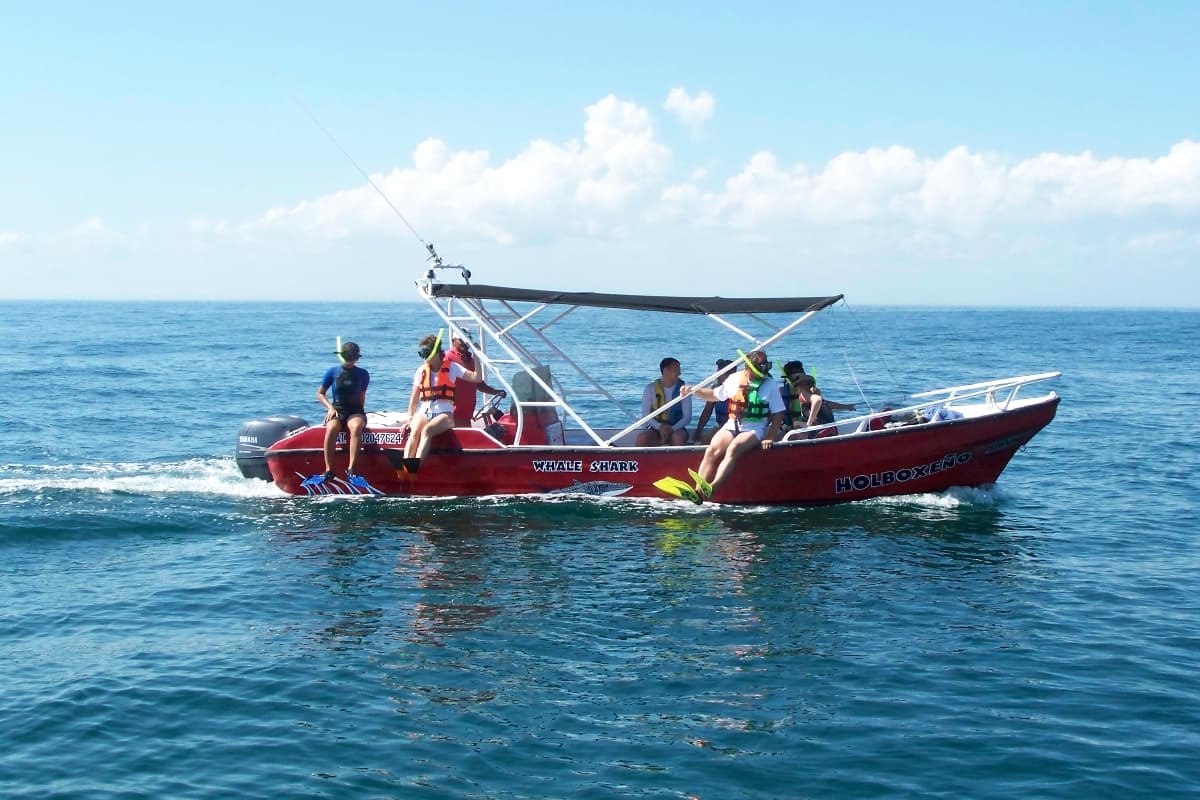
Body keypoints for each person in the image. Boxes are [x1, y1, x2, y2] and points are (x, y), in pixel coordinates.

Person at [681, 349, 785, 500]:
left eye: (764, 366)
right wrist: (693, 391)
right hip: (732, 424)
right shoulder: (735, 379)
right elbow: (714, 395)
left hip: (754, 429)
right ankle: (698, 491)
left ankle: (712, 487)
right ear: (748, 367)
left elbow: (778, 413)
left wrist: (770, 436)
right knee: (712, 449)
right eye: (759, 367)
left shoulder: (770, 385)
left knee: (733, 448)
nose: (762, 371)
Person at [402, 332, 484, 473]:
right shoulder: (421, 371)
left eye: (426, 352)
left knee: (427, 430)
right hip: (424, 412)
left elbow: (476, 378)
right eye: (421, 353)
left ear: (435, 352)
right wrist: (409, 418)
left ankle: (414, 470)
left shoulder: (452, 368)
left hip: (444, 414)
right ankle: (405, 468)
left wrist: (477, 356)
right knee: (414, 431)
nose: (423, 357)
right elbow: (414, 399)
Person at [315, 341, 369, 486]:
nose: (351, 361)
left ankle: (351, 469)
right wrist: (330, 408)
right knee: (331, 428)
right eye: (349, 357)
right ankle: (328, 469)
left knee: (356, 427)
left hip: (355, 411)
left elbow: (362, 396)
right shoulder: (332, 372)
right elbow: (320, 393)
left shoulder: (362, 374)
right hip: (338, 409)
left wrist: (361, 413)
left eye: (354, 358)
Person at [444, 334, 507, 427]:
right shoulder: (447, 357)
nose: (465, 342)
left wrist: (495, 392)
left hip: (466, 413)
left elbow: (478, 383)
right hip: (454, 412)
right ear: (454, 341)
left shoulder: (470, 359)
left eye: (468, 339)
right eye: (462, 339)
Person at [781, 361, 857, 431]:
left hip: (809, 428)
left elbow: (821, 402)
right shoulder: (781, 392)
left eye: (800, 379)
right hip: (791, 428)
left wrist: (845, 407)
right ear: (788, 380)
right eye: (794, 380)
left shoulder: (808, 392)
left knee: (796, 425)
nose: (797, 383)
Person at [635, 357, 692, 446]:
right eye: (676, 370)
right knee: (642, 438)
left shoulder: (684, 389)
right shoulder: (650, 389)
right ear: (665, 371)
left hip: (677, 428)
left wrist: (672, 429)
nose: (679, 373)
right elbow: (645, 415)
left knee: (677, 438)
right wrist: (660, 427)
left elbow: (687, 417)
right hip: (656, 428)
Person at [692, 358, 734, 444]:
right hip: (721, 427)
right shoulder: (715, 388)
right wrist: (698, 431)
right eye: (717, 371)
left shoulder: (737, 389)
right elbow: (707, 411)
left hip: (735, 428)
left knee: (711, 439)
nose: (717, 375)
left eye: (720, 372)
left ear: (730, 374)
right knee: (704, 439)